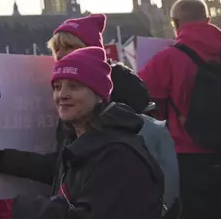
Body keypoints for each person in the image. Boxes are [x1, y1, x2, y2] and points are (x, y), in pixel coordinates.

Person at [46, 13, 179, 216]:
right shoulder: (76, 115)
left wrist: (31, 208)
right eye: (57, 50)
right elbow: (61, 168)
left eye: (70, 47)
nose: (63, 55)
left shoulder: (119, 142)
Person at [11, 47, 164, 218]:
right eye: (57, 86)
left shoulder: (118, 155)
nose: (62, 94)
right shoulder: (77, 141)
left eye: (74, 86)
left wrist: (27, 207)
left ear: (99, 93)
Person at [139, 0, 221, 219]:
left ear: (175, 23)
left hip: (188, 159)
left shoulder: (167, 59)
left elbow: (138, 98)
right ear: (208, 20)